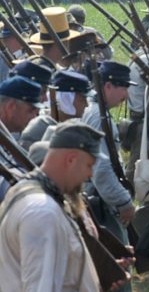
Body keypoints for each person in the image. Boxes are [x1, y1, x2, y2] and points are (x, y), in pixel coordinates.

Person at [0, 121, 107, 291]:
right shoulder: (43, 213)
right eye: (89, 165)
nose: (90, 174)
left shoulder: (32, 194)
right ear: (71, 159)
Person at [82, 61, 136, 246]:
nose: (126, 94)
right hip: (101, 203)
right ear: (108, 86)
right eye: (124, 87)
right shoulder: (99, 118)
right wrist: (124, 202)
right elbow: (102, 169)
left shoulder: (95, 111)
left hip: (99, 197)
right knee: (119, 262)